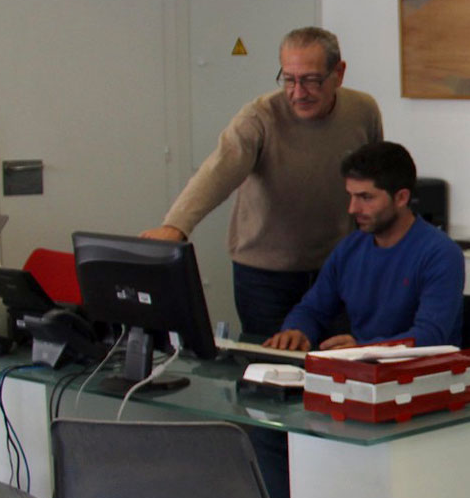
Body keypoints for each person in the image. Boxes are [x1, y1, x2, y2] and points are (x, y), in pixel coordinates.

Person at [142, 27, 383, 337]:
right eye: (289, 79)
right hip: (265, 276)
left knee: (336, 359)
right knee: (269, 361)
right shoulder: (259, 117)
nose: (298, 93)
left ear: (338, 73)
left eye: (311, 80)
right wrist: (176, 226)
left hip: (337, 268)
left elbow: (376, 179)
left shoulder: (363, 111)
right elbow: (218, 171)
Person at [265, 142, 464, 352]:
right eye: (351, 196)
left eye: (366, 197)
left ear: (401, 198)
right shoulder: (349, 248)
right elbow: (312, 310)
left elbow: (430, 337)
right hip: (359, 365)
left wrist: (363, 349)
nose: (353, 209)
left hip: (419, 370)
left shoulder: (440, 253)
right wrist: (297, 331)